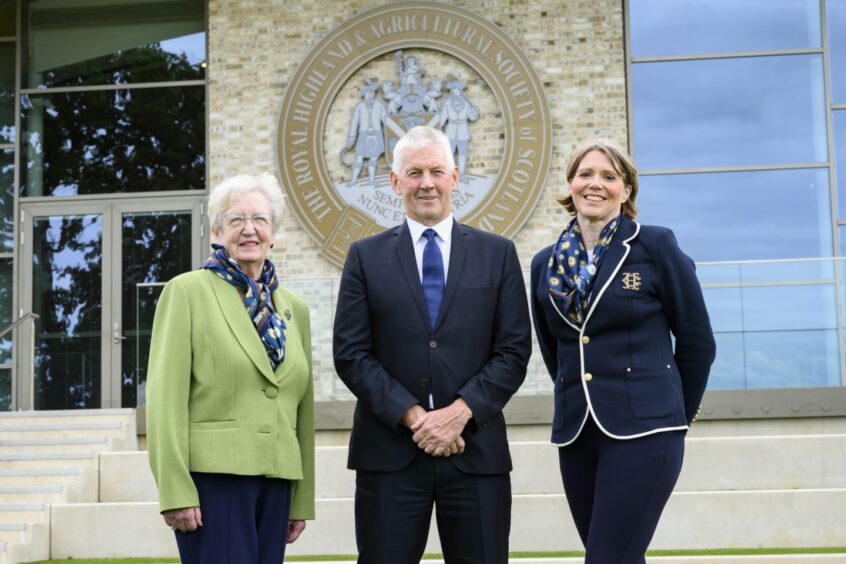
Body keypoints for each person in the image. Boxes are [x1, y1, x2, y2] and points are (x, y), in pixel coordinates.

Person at [333, 125, 532, 564]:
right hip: (390, 456)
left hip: (475, 452)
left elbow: (514, 351)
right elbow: (350, 353)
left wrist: (457, 415)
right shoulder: (364, 257)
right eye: (415, 172)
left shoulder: (497, 254)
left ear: (455, 177)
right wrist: (416, 419)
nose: (427, 183)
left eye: (437, 171)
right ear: (395, 181)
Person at [530, 139, 716, 563]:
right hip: (577, 433)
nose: (595, 184)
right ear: (571, 184)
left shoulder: (654, 247)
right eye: (585, 174)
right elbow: (556, 349)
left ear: (626, 190)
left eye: (609, 176)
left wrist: (674, 417)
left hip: (647, 432)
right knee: (620, 557)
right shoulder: (545, 264)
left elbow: (697, 342)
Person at [146, 173, 315, 564]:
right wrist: (174, 491)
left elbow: (302, 411)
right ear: (217, 230)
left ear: (275, 230)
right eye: (236, 220)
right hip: (213, 483)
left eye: (260, 219)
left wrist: (300, 498)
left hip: (277, 481)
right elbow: (164, 400)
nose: (249, 229)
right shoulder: (187, 292)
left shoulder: (295, 309)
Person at [344, 79, 387, 187]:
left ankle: (371, 179)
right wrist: (352, 137)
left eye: (372, 93)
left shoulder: (379, 105)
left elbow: (385, 121)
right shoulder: (360, 106)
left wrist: (389, 132)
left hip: (377, 134)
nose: (370, 95)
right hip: (363, 134)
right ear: (364, 94)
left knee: (374, 158)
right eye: (368, 93)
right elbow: (354, 122)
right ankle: (353, 180)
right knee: (359, 157)